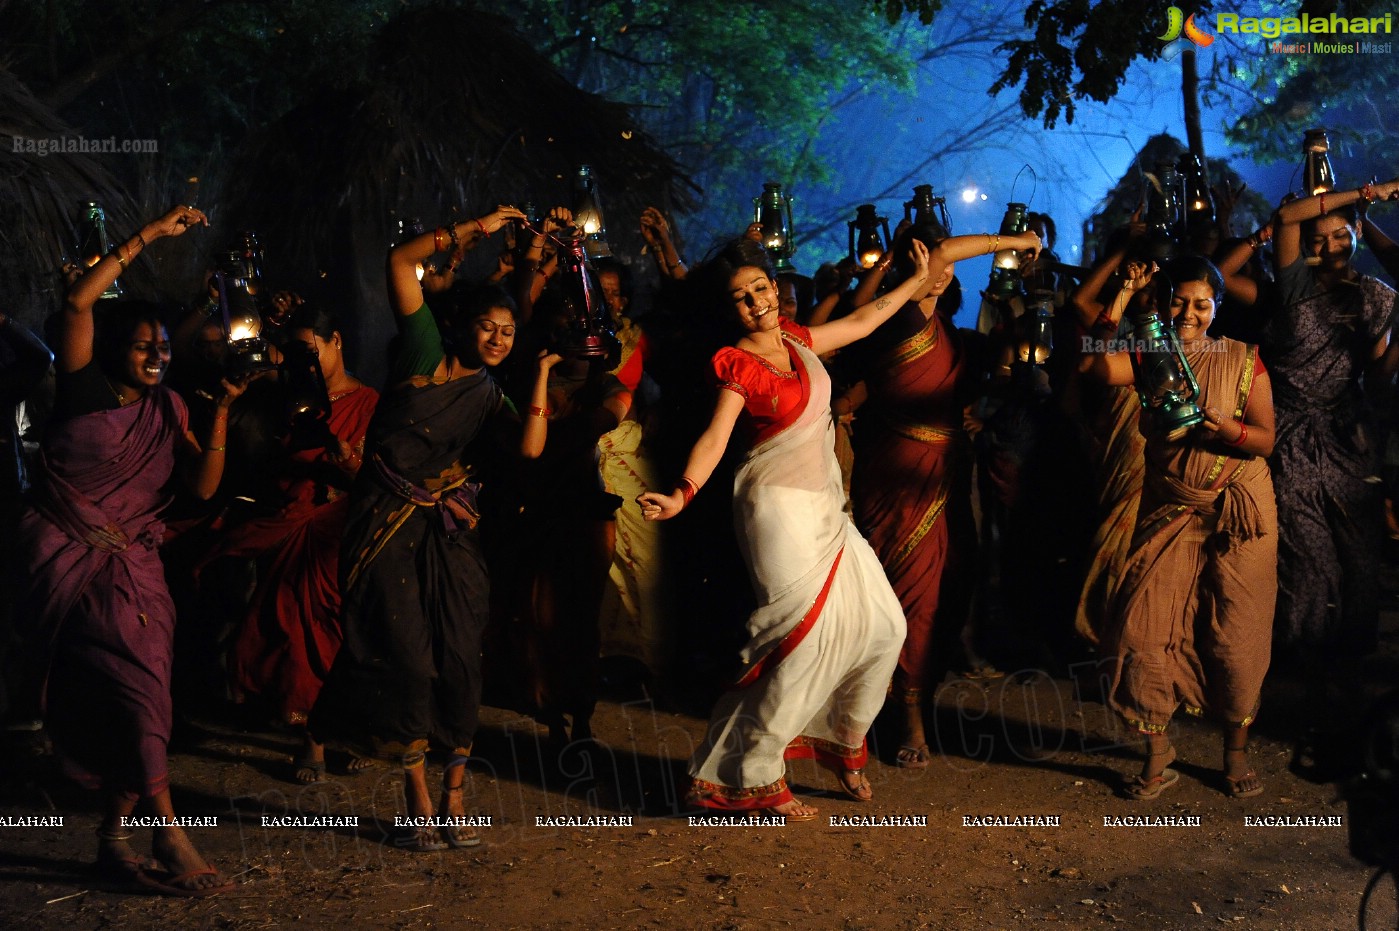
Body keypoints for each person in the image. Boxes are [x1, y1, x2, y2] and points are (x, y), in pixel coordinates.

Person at [637, 235, 932, 819]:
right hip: (775, 513)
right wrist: (682, 493)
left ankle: (843, 742)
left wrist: (916, 283)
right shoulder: (739, 362)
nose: (755, 302)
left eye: (761, 289)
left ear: (776, 290)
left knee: (882, 626)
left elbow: (865, 320)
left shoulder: (798, 341)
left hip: (826, 509)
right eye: (741, 298)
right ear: (730, 311)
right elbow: (717, 436)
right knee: (798, 644)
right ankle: (748, 776)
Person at [309, 206, 552, 851]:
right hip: (385, 522)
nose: (500, 339)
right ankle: (417, 800)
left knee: (460, 659)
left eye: (508, 331)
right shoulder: (423, 350)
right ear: (462, 326)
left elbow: (529, 449)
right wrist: (480, 226)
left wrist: (544, 378)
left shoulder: (490, 392)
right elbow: (398, 262)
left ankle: (455, 797)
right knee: (409, 659)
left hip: (449, 533)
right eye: (488, 327)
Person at [20, 205, 243, 894]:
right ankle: (169, 831)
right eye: (144, 344)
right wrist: (151, 235)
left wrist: (223, 411)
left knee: (143, 697)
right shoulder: (84, 392)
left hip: (138, 572)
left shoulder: (168, 411)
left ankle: (113, 840)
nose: (157, 355)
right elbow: (80, 297)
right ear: (114, 345)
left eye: (164, 347)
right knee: (132, 695)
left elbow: (203, 487)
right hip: (71, 563)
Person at [848, 220, 1043, 767]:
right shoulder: (896, 318)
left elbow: (1011, 358)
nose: (941, 269)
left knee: (942, 597)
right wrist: (1016, 241)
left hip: (946, 479)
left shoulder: (957, 341)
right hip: (895, 478)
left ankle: (909, 702)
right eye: (933, 258)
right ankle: (900, 722)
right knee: (902, 598)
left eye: (947, 264)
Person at [1083, 257, 1277, 800]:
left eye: (1201, 304)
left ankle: (1234, 756)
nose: (1188, 314)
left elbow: (1265, 439)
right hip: (1170, 508)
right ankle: (1158, 754)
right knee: (1142, 631)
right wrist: (1122, 293)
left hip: (1240, 509)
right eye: (1178, 301)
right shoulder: (1149, 356)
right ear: (1163, 303)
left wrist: (1228, 427)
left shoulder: (1242, 361)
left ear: (1217, 307)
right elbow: (1092, 366)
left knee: (1237, 634)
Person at [210, 304, 379, 781]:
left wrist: (345, 463)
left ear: (337, 341)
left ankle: (347, 729)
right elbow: (256, 462)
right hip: (289, 521)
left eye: (310, 351)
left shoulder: (370, 403)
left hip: (340, 528)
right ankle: (312, 741)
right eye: (293, 354)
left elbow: (377, 476)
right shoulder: (278, 400)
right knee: (294, 631)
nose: (301, 363)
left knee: (342, 630)